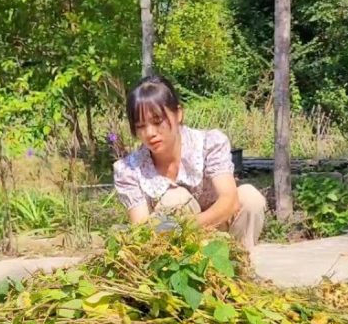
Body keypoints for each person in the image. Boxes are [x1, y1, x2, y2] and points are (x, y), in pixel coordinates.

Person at [112, 75, 267, 250]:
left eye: (157, 121)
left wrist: (186, 227)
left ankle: (237, 266)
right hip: (173, 248)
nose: (150, 133)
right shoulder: (129, 169)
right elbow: (141, 230)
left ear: (178, 114)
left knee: (250, 197)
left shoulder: (209, 144)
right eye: (141, 126)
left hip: (220, 231)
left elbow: (229, 200)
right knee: (175, 199)